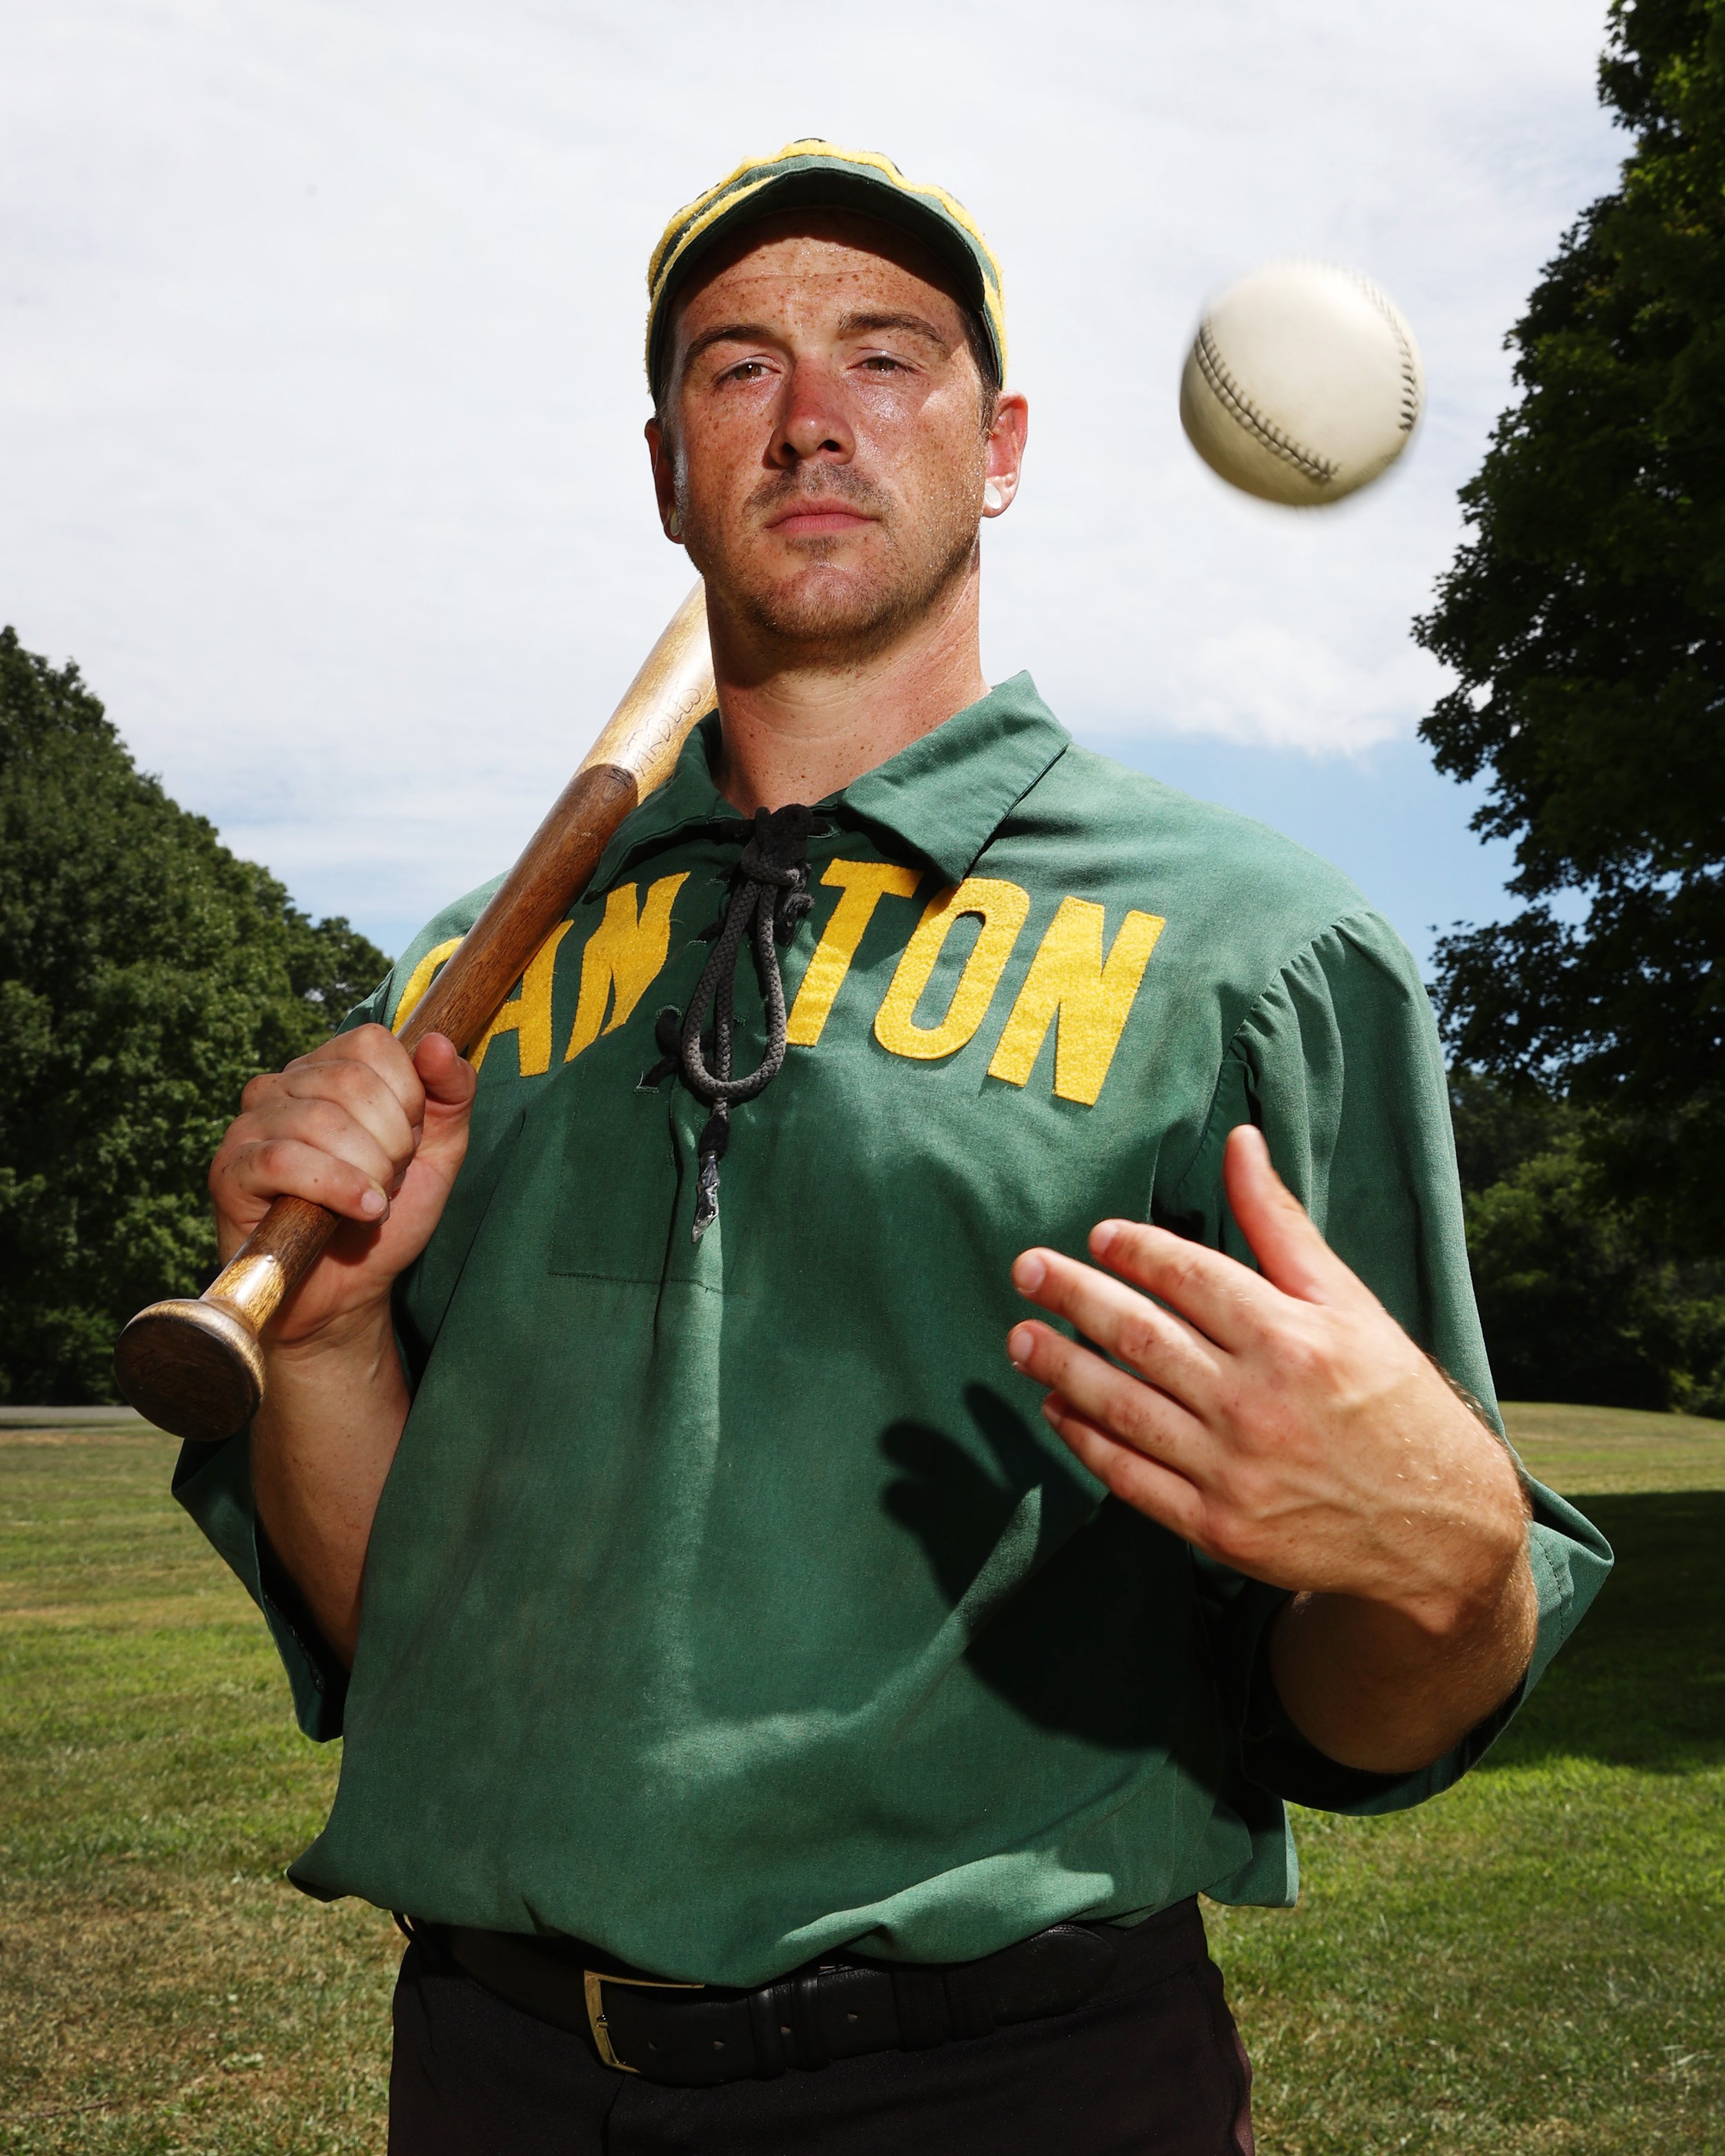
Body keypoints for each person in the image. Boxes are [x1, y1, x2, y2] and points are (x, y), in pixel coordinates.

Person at [176, 140, 1611, 2155]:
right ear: (666, 464)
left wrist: (1452, 1582)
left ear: (999, 442)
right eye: (737, 369)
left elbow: (1354, 1705)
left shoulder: (1257, 955)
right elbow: (399, 1632)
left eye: (888, 354)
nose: (814, 417)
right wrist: (324, 1343)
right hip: (498, 2072)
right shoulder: (476, 984)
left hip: (1007, 2085)